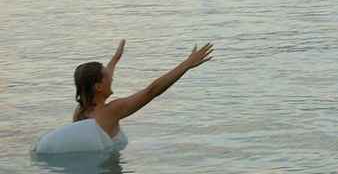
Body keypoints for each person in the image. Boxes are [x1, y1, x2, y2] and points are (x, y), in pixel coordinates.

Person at [35, 40, 214, 153]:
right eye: (108, 76)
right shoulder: (112, 111)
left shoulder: (80, 110)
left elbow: (104, 76)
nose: (112, 77)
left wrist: (115, 59)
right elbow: (152, 91)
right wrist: (186, 64)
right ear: (98, 87)